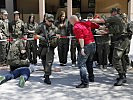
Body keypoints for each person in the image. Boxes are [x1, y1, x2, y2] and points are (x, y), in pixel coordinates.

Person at [90, 8, 130, 86]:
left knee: (115, 59)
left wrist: (89, 20)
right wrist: (99, 30)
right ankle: (123, 75)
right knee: (122, 59)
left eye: (111, 13)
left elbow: (102, 21)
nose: (110, 15)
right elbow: (108, 30)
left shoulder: (116, 17)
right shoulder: (120, 20)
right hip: (124, 40)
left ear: (114, 12)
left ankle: (121, 76)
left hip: (121, 41)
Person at [69, 15, 100, 88]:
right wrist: (102, 28)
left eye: (70, 21)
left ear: (72, 21)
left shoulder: (76, 27)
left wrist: (82, 48)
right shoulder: (84, 23)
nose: (70, 23)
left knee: (81, 64)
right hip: (93, 44)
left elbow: (81, 38)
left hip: (86, 45)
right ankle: (91, 77)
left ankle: (85, 82)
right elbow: (95, 25)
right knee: (89, 62)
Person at [35, 14, 60, 85]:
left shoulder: (54, 28)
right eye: (49, 21)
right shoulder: (41, 26)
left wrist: (57, 36)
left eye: (52, 21)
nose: (50, 23)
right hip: (42, 46)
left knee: (49, 62)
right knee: (43, 60)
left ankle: (47, 76)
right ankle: (46, 72)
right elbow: (35, 35)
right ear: (46, 20)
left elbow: (58, 34)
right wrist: (41, 37)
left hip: (50, 46)